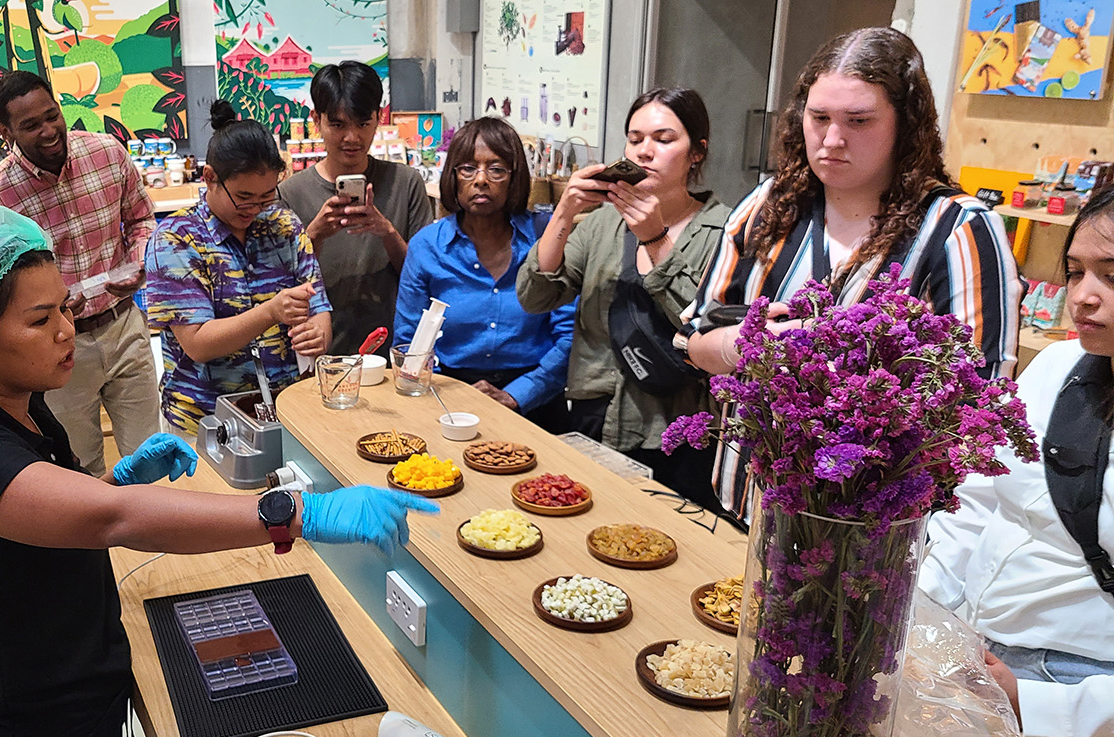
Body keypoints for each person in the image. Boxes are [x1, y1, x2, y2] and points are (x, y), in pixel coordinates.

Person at [0, 205, 436, 737]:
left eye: (64, 308)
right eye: (39, 321)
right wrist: (299, 512)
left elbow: (49, 514)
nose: (66, 332)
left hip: (83, 704)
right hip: (26, 731)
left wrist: (116, 480)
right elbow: (110, 521)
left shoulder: (21, 406)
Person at [682, 27, 1020, 527]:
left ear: (906, 126)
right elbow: (694, 337)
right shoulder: (770, 204)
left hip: (864, 532)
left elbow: (979, 401)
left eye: (858, 121)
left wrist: (836, 371)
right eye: (818, 118)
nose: (832, 140)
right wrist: (748, 348)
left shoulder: (957, 229)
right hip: (746, 502)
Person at [919, 185, 1114, 737]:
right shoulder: (1057, 363)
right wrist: (921, 614)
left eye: (1112, 274)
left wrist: (1037, 702)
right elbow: (979, 498)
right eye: (1075, 272)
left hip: (1076, 692)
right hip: (971, 648)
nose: (1083, 297)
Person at [517, 88, 730, 508]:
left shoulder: (726, 231)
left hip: (679, 429)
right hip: (595, 413)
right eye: (635, 139)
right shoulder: (601, 225)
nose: (645, 152)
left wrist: (654, 238)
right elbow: (535, 295)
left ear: (697, 152)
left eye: (664, 139)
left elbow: (708, 326)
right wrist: (564, 212)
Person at [0, 70, 159, 473]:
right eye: (30, 125)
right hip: (53, 345)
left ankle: (158, 534)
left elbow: (142, 217)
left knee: (150, 454)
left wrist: (140, 260)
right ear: (6, 133)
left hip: (123, 324)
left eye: (52, 115)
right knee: (79, 466)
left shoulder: (107, 153)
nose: (49, 130)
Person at [145, 102, 332, 432]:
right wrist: (270, 312)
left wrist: (318, 333)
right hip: (205, 419)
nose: (255, 209)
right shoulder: (176, 238)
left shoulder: (284, 226)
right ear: (210, 178)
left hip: (286, 409)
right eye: (244, 197)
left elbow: (318, 306)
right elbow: (198, 343)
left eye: (266, 197)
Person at [395, 117, 573, 432]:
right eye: (467, 168)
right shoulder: (427, 247)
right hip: (449, 400)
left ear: (514, 178)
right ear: (452, 176)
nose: (481, 180)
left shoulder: (546, 240)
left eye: (496, 169)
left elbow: (569, 336)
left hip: (537, 400)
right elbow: (408, 341)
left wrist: (516, 395)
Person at [278, 61, 434, 355]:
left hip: (394, 353)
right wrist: (314, 235)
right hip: (318, 357)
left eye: (363, 123)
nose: (352, 137)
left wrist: (387, 232)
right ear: (317, 120)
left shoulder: (406, 182)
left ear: (378, 118)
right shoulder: (290, 193)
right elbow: (277, 286)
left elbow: (425, 277)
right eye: (338, 124)